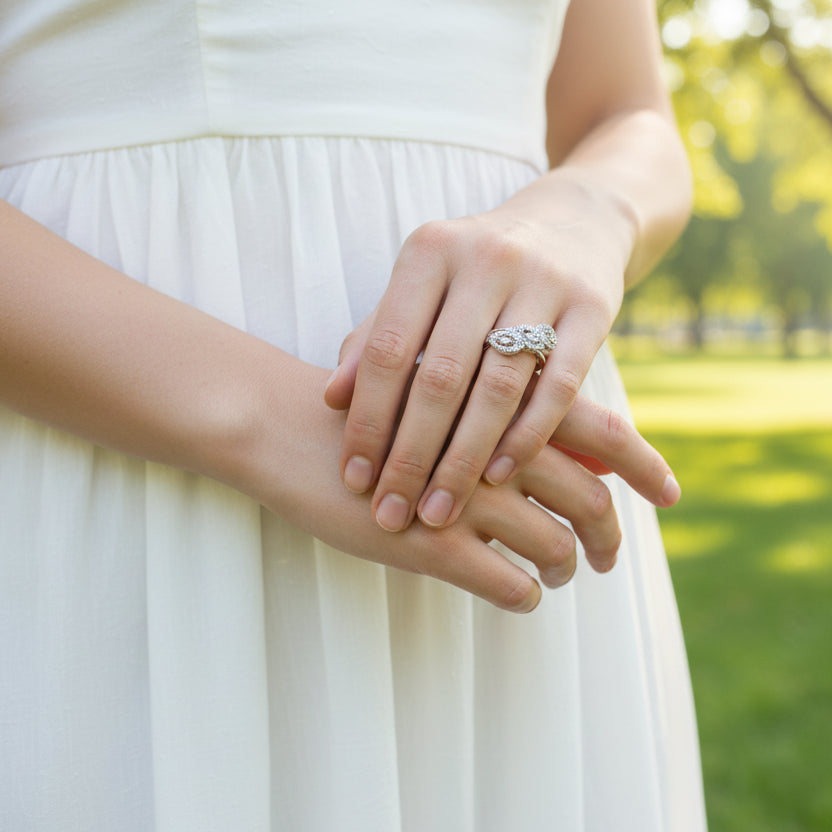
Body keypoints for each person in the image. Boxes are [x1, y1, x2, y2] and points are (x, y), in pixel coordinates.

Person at [0, 0, 707, 829]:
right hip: (118, 445)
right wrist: (277, 421)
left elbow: (628, 114)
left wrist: (584, 215)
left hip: (506, 466)